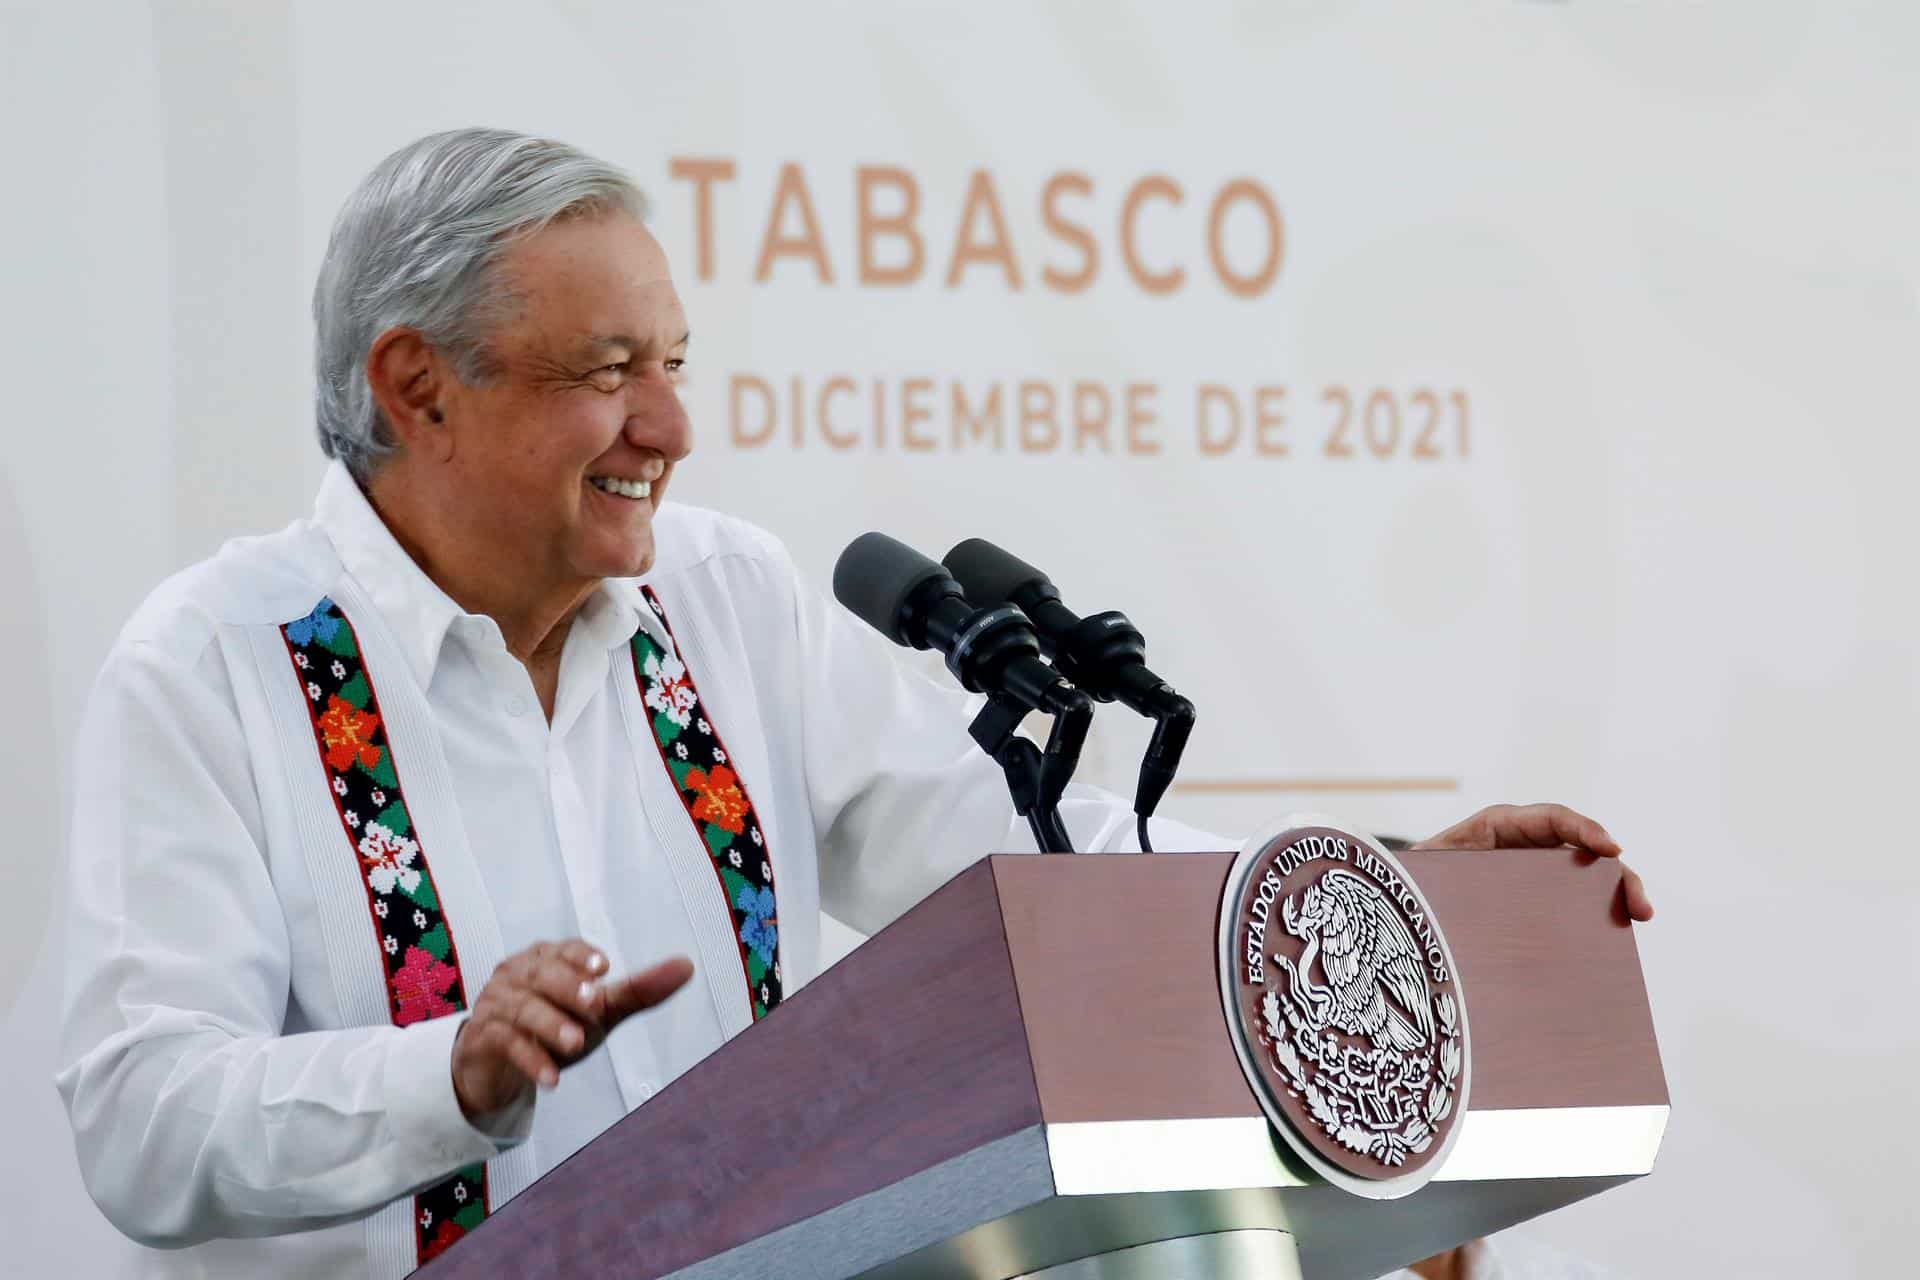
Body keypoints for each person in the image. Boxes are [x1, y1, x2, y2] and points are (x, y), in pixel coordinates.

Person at [53, 128, 1653, 1279]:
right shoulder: (214, 668)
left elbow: (1024, 871)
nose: (670, 422)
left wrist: (1375, 906)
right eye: (611, 368)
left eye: (674, 359)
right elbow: (137, 1120)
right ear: (418, 388)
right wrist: (444, 1080)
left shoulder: (724, 599)